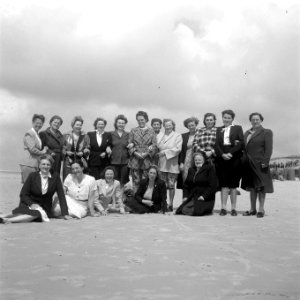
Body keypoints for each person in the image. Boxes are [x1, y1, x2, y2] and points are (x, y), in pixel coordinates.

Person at [0, 155, 71, 224]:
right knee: (22, 212)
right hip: (28, 203)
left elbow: (61, 195)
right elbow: (23, 194)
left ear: (51, 166)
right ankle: (3, 216)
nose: (45, 166)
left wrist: (65, 213)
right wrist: (31, 204)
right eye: (43, 164)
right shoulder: (32, 176)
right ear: (39, 165)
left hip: (44, 207)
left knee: (37, 214)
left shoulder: (55, 177)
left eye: (48, 164)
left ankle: (7, 220)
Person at [241, 113, 274, 218]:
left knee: (261, 187)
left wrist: (265, 162)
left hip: (260, 164)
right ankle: (252, 209)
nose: (255, 121)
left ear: (261, 120)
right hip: (248, 164)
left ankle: (261, 209)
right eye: (253, 119)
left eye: (257, 119)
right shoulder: (247, 133)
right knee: (251, 187)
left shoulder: (267, 132)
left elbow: (268, 149)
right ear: (250, 121)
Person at [214, 109, 244, 216]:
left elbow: (241, 143)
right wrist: (222, 154)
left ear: (232, 119)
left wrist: (230, 153)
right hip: (222, 159)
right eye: (225, 117)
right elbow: (216, 144)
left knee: (233, 185)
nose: (226, 119)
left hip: (234, 158)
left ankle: (234, 208)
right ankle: (223, 208)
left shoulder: (238, 128)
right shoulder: (218, 129)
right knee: (224, 184)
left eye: (228, 118)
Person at [128, 111, 157, 193]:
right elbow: (129, 144)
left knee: (146, 181)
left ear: (146, 120)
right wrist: (135, 153)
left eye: (142, 120)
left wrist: (147, 153)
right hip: (135, 159)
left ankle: (145, 201)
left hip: (147, 160)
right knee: (136, 181)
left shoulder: (151, 131)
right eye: (138, 120)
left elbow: (154, 145)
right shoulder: (133, 130)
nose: (140, 121)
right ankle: (135, 201)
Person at [157, 119, 182, 211]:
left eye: (169, 125)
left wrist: (164, 152)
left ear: (173, 125)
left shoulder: (177, 135)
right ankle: (164, 203)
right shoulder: (160, 135)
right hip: (162, 164)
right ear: (163, 126)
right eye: (166, 125)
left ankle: (171, 204)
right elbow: (157, 146)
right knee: (162, 185)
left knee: (171, 185)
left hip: (172, 164)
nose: (167, 127)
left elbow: (178, 149)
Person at [20, 114, 48, 183]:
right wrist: (43, 152)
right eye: (37, 123)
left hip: (34, 164)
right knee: (28, 188)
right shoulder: (29, 134)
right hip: (28, 164)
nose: (39, 125)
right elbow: (32, 149)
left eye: (41, 123)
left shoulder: (36, 134)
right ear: (33, 122)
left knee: (33, 187)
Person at [62, 116, 90, 180]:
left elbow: (88, 148)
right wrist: (66, 152)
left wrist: (83, 152)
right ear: (73, 125)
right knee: (68, 179)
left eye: (80, 125)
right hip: (68, 161)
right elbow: (62, 148)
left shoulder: (85, 136)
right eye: (77, 125)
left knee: (81, 180)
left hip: (81, 161)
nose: (79, 126)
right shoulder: (66, 135)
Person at [177, 117, 199, 189]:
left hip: (197, 159)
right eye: (189, 126)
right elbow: (181, 151)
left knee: (197, 179)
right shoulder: (183, 136)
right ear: (187, 126)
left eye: (193, 125)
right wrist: (181, 162)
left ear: (196, 125)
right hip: (186, 160)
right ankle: (186, 198)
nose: (191, 127)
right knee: (186, 178)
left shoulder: (200, 134)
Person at [110, 115, 130, 193]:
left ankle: (121, 198)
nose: (121, 124)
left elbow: (132, 144)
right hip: (113, 161)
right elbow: (107, 144)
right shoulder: (111, 134)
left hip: (125, 161)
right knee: (114, 180)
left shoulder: (128, 134)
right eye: (119, 123)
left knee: (123, 181)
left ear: (125, 124)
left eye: (123, 123)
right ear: (116, 123)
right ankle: (113, 197)